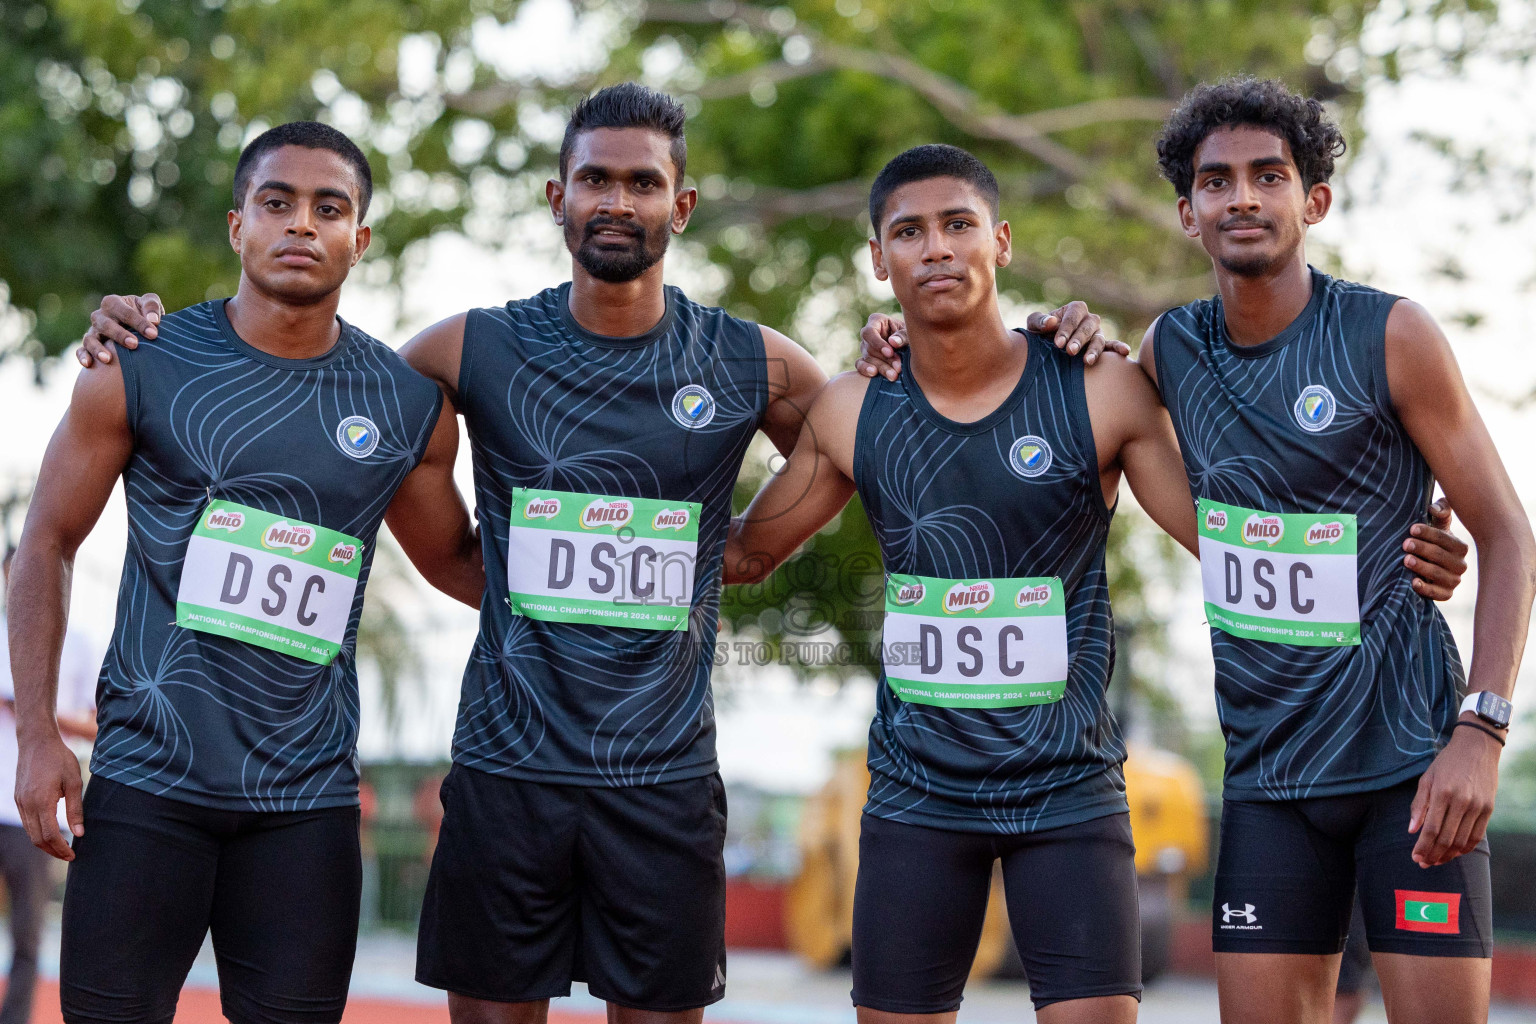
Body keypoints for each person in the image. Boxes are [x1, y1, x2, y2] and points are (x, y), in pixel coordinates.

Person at [723, 143, 1469, 1024]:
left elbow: (1229, 539)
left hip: (1067, 793)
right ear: (879, 261)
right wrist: (573, 517)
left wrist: (1402, 550)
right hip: (917, 794)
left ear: (999, 242)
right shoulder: (854, 409)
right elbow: (743, 555)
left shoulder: (1098, 387)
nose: (936, 250)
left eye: (958, 225)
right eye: (909, 233)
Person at [9, 121, 482, 1024]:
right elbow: (46, 544)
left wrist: (650, 571)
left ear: (361, 239)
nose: (301, 224)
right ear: (238, 227)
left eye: (328, 208)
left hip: (305, 805)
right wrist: (37, 734)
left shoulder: (406, 405)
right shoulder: (140, 365)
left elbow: (460, 565)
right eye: (277, 203)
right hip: (148, 782)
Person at [0, 548, 96, 1024]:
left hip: (33, 812)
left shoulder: (78, 644)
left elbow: (102, 724)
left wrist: (38, 713)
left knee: (27, 937)